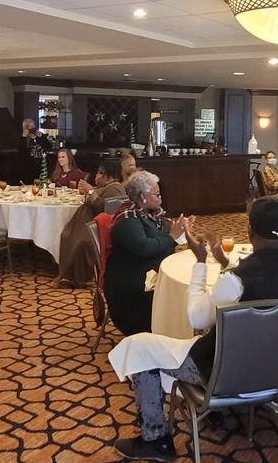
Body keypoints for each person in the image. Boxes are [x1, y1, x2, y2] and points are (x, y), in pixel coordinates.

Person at [111, 199, 278, 461]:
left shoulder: (237, 281)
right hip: (271, 372)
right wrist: (222, 260)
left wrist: (200, 262)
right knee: (208, 331)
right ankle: (219, 414)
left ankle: (155, 439)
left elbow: (197, 317)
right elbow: (265, 288)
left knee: (137, 346)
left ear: (250, 233)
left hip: (221, 372)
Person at [103, 171, 189, 336]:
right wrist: (172, 235)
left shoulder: (153, 213)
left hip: (149, 268)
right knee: (177, 290)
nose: (160, 198)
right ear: (142, 196)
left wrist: (180, 231)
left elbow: (165, 234)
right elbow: (144, 247)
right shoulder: (127, 218)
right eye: (157, 194)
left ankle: (180, 330)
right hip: (131, 281)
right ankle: (168, 330)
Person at [56, 159, 127, 287]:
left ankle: (77, 278)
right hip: (84, 223)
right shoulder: (105, 187)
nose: (97, 175)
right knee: (66, 236)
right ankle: (66, 274)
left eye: (100, 173)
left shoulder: (115, 188)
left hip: (96, 227)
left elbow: (104, 209)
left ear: (110, 176)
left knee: (80, 243)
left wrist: (90, 191)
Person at [21, 118, 54, 183]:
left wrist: (43, 137)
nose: (33, 128)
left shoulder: (40, 137)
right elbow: (22, 151)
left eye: (34, 126)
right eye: (31, 127)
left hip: (42, 165)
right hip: (29, 167)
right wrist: (24, 137)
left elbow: (49, 147)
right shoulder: (24, 139)